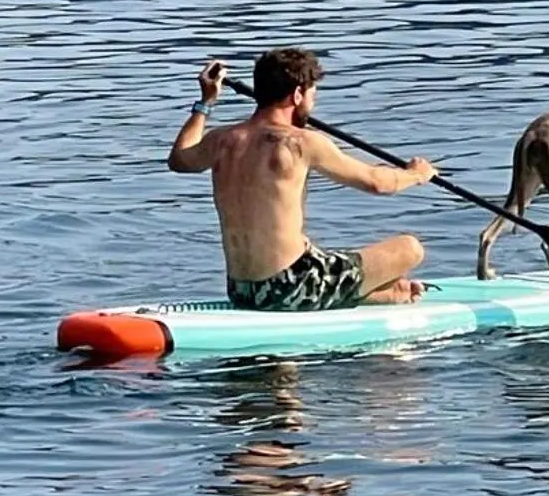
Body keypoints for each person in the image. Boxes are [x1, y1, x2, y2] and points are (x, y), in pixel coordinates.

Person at [167, 48, 437, 310]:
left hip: (241, 290)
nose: (313, 103)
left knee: (310, 249)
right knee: (409, 248)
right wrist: (415, 174)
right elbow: (377, 182)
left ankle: (383, 294)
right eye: (312, 95)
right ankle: (369, 293)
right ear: (297, 95)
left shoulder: (222, 140)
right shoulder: (300, 143)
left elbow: (179, 160)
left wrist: (206, 103)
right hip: (290, 288)